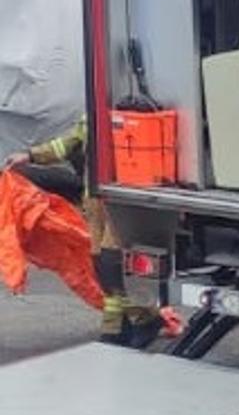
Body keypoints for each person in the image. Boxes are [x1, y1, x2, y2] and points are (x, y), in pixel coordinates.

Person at [4, 115, 163, 347]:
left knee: (112, 262)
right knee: (99, 263)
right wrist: (30, 155)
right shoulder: (92, 114)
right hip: (96, 197)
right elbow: (71, 143)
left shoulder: (126, 112)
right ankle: (116, 325)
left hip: (123, 197)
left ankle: (144, 318)